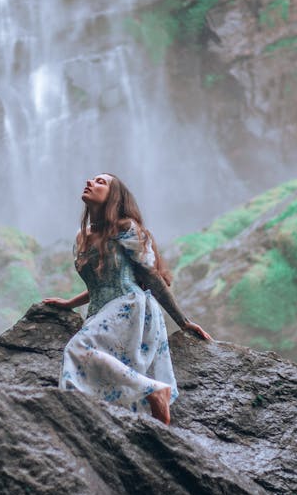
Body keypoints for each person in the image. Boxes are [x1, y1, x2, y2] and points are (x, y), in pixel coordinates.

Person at [44, 173, 211, 425]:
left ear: (114, 196)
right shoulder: (82, 237)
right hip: (101, 311)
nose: (90, 183)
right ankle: (151, 415)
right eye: (91, 179)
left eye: (101, 182)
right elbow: (101, 283)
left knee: (77, 348)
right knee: (102, 372)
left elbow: (150, 277)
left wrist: (183, 321)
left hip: (129, 307)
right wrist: (69, 304)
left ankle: (154, 390)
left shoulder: (126, 229)